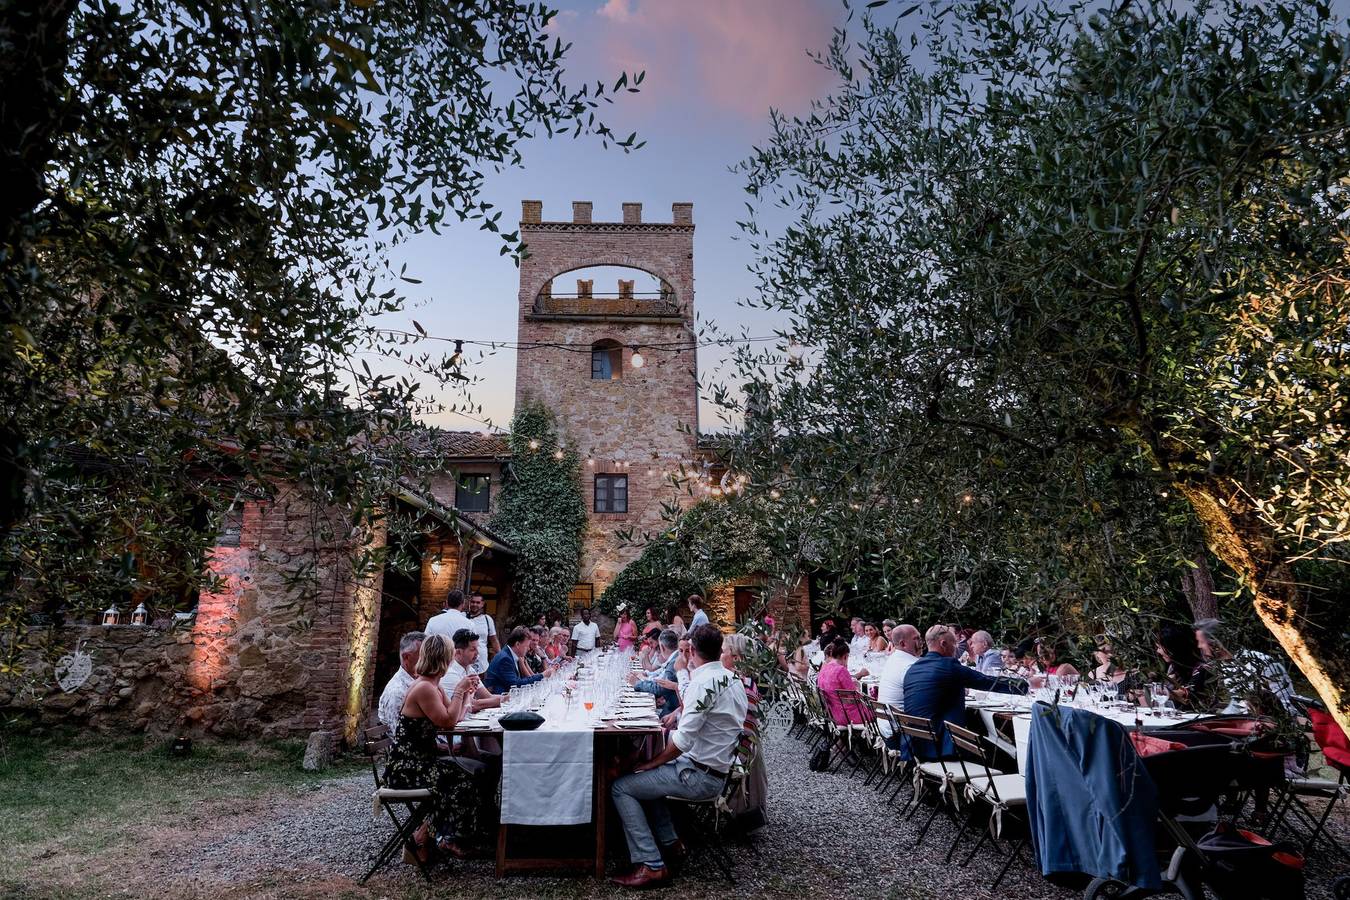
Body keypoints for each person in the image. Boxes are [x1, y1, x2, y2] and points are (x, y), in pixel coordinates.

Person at [610, 625, 748, 889]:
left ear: (692, 650)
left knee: (621, 787)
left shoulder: (703, 682)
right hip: (716, 769)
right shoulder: (732, 680)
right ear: (720, 650)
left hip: (699, 776)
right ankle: (672, 843)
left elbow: (682, 742)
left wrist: (650, 762)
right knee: (647, 780)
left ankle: (650, 864)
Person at [383, 633, 483, 860]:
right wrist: (459, 691)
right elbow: (447, 721)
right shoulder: (425, 688)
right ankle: (440, 840)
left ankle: (424, 838)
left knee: (468, 776)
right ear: (445, 659)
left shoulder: (432, 686)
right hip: (407, 768)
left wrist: (466, 695)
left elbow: (453, 717)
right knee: (462, 782)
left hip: (421, 760)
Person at [904, 624, 1028, 758]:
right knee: (1006, 756)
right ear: (944, 644)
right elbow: (986, 681)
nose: (956, 648)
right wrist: (1024, 685)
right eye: (954, 643)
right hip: (942, 747)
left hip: (914, 745)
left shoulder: (913, 668)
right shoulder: (948, 666)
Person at [1193, 618, 1296, 714]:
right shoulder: (1227, 666)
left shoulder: (1263, 664)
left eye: (1202, 642)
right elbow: (1237, 704)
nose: (1199, 646)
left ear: (1215, 642)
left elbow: (1287, 706)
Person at [720, 633, 768, 830]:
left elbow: (746, 730)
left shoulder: (742, 684)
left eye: (723, 651)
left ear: (736, 657)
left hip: (736, 753)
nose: (719, 655)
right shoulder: (738, 681)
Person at [876, 624, 922, 747]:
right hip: (899, 735)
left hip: (886, 728)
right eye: (916, 638)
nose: (921, 642)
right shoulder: (910, 665)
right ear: (903, 643)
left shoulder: (894, 659)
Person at [1155, 623, 1214, 711]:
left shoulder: (1201, 669)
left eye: (1160, 647)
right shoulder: (1173, 668)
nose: (1158, 651)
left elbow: (1186, 694)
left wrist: (1159, 693)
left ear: (1172, 648)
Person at [817, 639, 872, 725]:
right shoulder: (841, 670)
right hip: (847, 715)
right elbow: (854, 696)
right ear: (845, 656)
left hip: (832, 712)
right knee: (878, 710)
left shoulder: (824, 668)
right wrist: (858, 687)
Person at [377, 630, 424, 732]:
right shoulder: (397, 691)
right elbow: (397, 734)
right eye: (423, 656)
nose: (428, 660)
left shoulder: (419, 681)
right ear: (406, 657)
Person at [484, 627, 554, 694]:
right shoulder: (505, 658)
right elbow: (515, 685)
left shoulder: (510, 654)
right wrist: (542, 675)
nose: (528, 649)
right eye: (526, 646)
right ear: (517, 644)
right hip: (499, 699)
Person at [630, 629, 681, 716]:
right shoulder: (674, 658)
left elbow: (661, 687)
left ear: (662, 647)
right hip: (669, 705)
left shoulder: (674, 662)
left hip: (671, 710)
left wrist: (637, 683)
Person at [464, 593, 499, 676]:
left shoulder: (487, 619)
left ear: (482, 604)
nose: (474, 604)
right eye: (472, 602)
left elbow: (494, 640)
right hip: (464, 662)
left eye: (478, 602)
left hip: (482, 664)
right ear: (469, 602)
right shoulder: (462, 617)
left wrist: (499, 657)